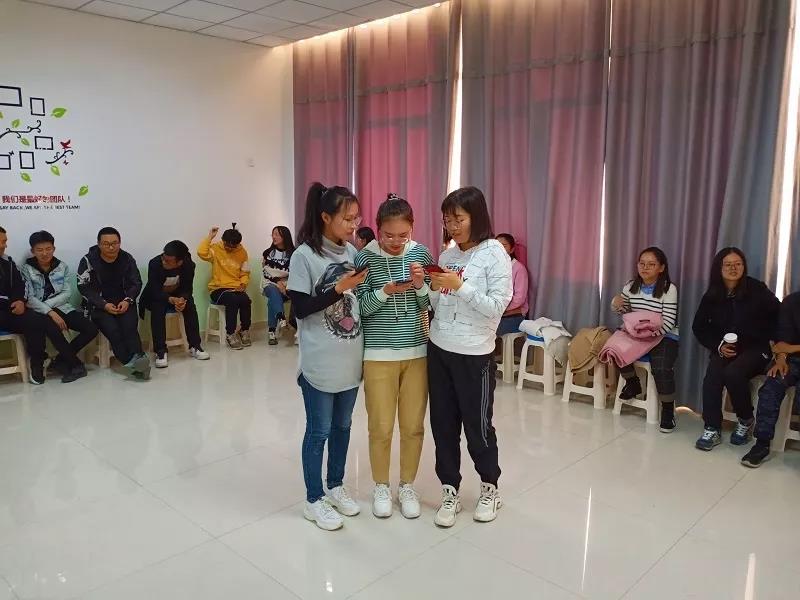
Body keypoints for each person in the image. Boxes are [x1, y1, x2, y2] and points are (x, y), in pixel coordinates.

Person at [426, 187, 512, 527]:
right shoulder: (447, 256)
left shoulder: (494, 253)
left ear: (476, 217)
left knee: (478, 427)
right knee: (443, 425)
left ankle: (490, 487)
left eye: (458, 219)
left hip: (475, 355)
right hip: (439, 349)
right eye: (447, 220)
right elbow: (438, 306)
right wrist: (431, 287)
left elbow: (496, 307)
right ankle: (450, 490)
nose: (452, 226)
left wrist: (460, 286)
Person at [287, 182, 368, 531]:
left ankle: (335, 485)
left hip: (349, 358)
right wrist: (338, 288)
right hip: (319, 362)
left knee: (343, 427)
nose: (353, 225)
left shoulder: (351, 251)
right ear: (325, 217)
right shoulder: (304, 255)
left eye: (356, 218)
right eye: (347, 218)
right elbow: (300, 309)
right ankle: (313, 499)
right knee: (318, 431)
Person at [354, 194, 433, 520]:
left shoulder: (421, 254)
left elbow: (426, 305)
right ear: (378, 229)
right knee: (381, 426)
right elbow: (359, 309)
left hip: (417, 352)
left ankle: (407, 485)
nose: (396, 241)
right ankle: (381, 486)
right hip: (378, 354)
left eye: (403, 235)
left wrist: (419, 285)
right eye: (389, 235)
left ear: (412, 228)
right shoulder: (364, 258)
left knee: (413, 426)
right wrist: (385, 291)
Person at [692, 248, 779, 451]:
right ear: (719, 268)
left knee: (733, 372)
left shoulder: (756, 289)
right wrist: (718, 346)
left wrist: (776, 341)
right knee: (713, 375)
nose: (733, 268)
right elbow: (699, 327)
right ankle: (712, 427)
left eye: (737, 264)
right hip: (727, 348)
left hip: (757, 348)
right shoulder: (713, 294)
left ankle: (746, 420)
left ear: (743, 266)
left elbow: (778, 312)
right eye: (728, 264)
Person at [610, 247, 679, 433]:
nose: (645, 267)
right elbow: (625, 313)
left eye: (651, 264)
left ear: (661, 268)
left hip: (664, 335)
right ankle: (633, 383)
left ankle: (667, 410)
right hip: (636, 333)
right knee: (613, 349)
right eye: (642, 263)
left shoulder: (669, 289)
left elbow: (669, 321)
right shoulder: (630, 286)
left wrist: (647, 337)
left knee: (661, 368)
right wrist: (616, 305)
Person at [20, 230, 97, 382]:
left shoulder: (62, 267)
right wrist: (49, 311)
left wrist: (50, 307)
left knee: (91, 329)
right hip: (38, 311)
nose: (44, 253)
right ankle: (76, 365)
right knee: (53, 329)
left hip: (61, 306)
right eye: (39, 250)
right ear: (33, 251)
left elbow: (66, 293)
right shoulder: (26, 269)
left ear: (54, 248)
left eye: (48, 249)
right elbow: (29, 298)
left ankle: (61, 359)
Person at [77, 227, 150, 379]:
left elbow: (136, 282)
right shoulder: (88, 261)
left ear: (119, 243)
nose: (111, 247)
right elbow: (83, 287)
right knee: (113, 330)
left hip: (124, 302)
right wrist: (103, 304)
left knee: (129, 328)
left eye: (114, 243)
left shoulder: (127, 259)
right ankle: (134, 363)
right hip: (99, 306)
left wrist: (128, 300)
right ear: (99, 244)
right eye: (106, 244)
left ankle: (138, 362)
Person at [740, 290, 800, 467]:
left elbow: (788, 346)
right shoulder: (792, 302)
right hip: (791, 360)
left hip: (793, 352)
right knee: (771, 386)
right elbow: (782, 340)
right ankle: (762, 444)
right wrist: (781, 359)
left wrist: (792, 348)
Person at [139, 240, 210, 368]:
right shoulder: (155, 263)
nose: (164, 262)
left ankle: (195, 346)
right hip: (156, 297)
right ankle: (160, 351)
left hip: (177, 296)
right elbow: (154, 290)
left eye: (168, 261)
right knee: (158, 307)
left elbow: (187, 288)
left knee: (190, 305)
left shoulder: (188, 265)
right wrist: (170, 299)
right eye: (163, 258)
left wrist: (182, 299)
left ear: (179, 262)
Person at [197, 224, 252, 350]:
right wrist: (210, 237)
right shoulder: (216, 249)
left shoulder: (242, 252)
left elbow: (245, 273)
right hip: (218, 289)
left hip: (236, 287)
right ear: (223, 241)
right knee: (232, 300)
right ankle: (230, 334)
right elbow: (201, 252)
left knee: (245, 300)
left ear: (238, 244)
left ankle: (244, 330)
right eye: (227, 245)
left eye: (233, 247)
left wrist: (243, 284)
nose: (230, 248)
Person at [261, 226, 296, 345]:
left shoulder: (294, 254)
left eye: (277, 234)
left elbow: (295, 272)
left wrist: (285, 284)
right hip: (269, 283)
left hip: (288, 285)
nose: (274, 237)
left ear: (285, 236)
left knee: (273, 300)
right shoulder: (268, 253)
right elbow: (266, 272)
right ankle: (281, 317)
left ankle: (272, 331)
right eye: (273, 234)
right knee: (273, 290)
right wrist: (278, 281)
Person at [495, 233, 529, 336]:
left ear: (512, 249)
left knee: (483, 330)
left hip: (514, 316)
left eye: (504, 246)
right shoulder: (492, 268)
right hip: (496, 313)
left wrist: (499, 308)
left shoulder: (519, 269)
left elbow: (519, 299)